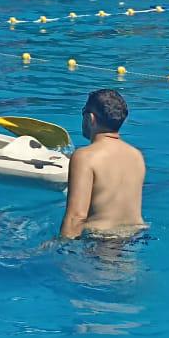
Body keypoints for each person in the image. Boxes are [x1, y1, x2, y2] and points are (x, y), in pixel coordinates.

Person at [60, 89, 147, 239]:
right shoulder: (136, 156)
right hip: (135, 237)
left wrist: (60, 247)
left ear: (90, 118)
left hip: (100, 241)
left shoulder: (85, 157)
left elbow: (76, 216)